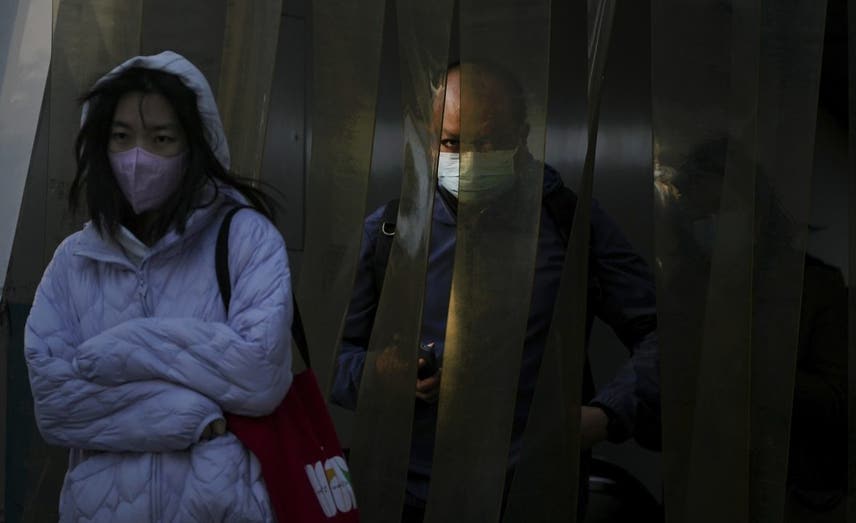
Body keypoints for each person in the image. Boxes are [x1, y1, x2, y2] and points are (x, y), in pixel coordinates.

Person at [331, 62, 660, 520]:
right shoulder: (391, 232)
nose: (467, 158)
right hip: (408, 495)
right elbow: (332, 360)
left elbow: (660, 333)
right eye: (451, 142)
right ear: (430, 139)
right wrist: (382, 375)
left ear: (521, 137)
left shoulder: (568, 224)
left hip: (532, 493)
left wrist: (606, 415)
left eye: (487, 142)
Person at [24, 51, 293, 522]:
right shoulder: (75, 260)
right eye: (121, 137)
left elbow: (260, 375)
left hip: (218, 507)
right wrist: (194, 416)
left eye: (161, 139)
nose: (137, 157)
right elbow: (56, 406)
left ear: (194, 145)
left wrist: (126, 348)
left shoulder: (246, 238)